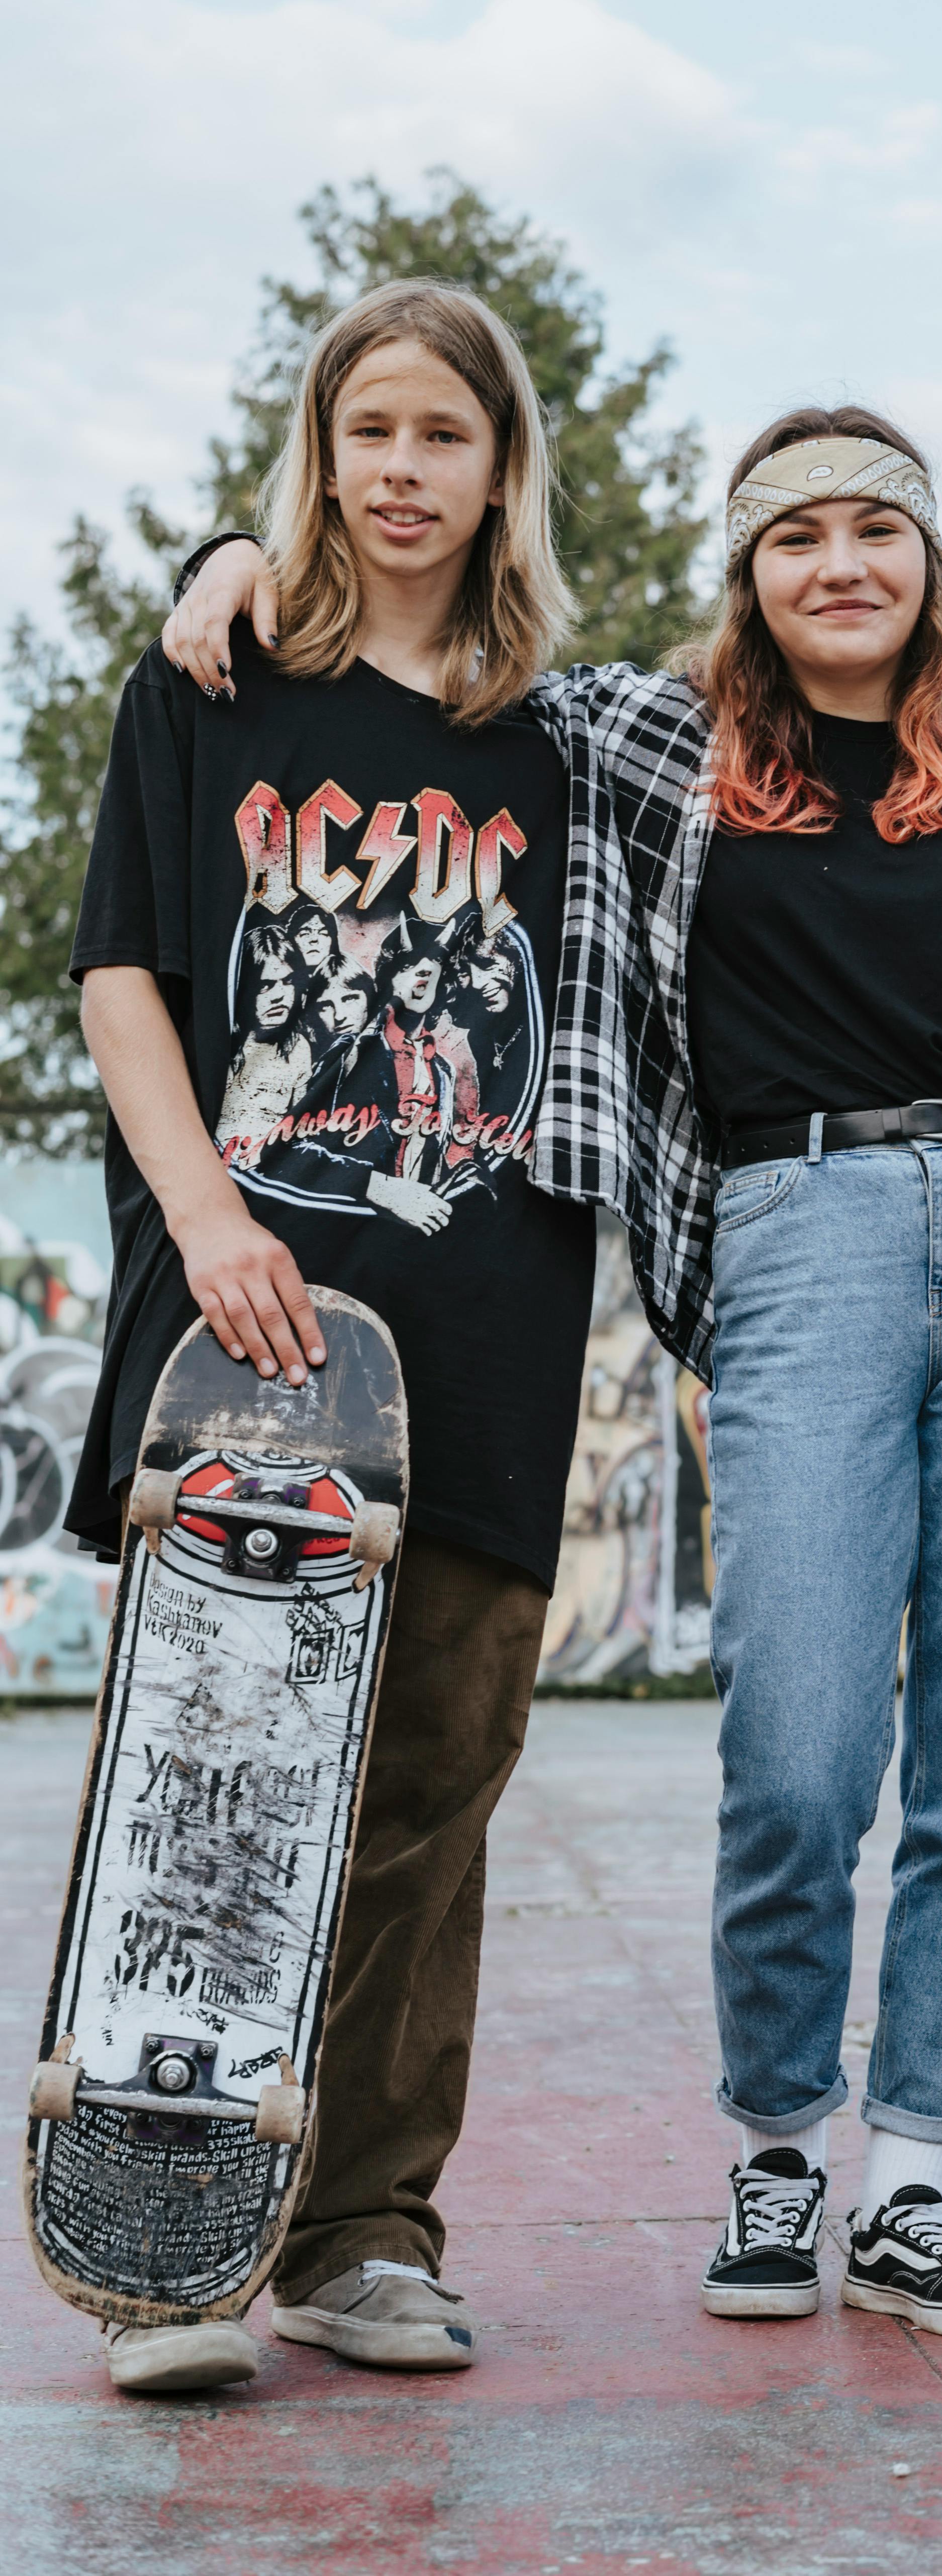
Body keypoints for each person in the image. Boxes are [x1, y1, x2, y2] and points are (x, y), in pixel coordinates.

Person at [167, 404, 942, 2340]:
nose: (840, 565)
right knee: (800, 1747)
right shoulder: (642, 749)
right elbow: (419, 664)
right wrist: (235, 562)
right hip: (791, 1236)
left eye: (875, 532)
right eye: (795, 534)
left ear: (928, 566)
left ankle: (915, 2180)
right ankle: (781, 2144)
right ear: (748, 571)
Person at [70, 280, 597, 2395]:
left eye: (442, 436)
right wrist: (201, 1218)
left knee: (438, 1789)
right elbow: (122, 975)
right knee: (214, 1783)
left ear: (500, 470)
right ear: (318, 447)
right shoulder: (212, 682)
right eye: (365, 428)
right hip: (241, 1321)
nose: (400, 468)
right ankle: (162, 2237)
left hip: (482, 1320)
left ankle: (363, 2232)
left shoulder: (565, 730)